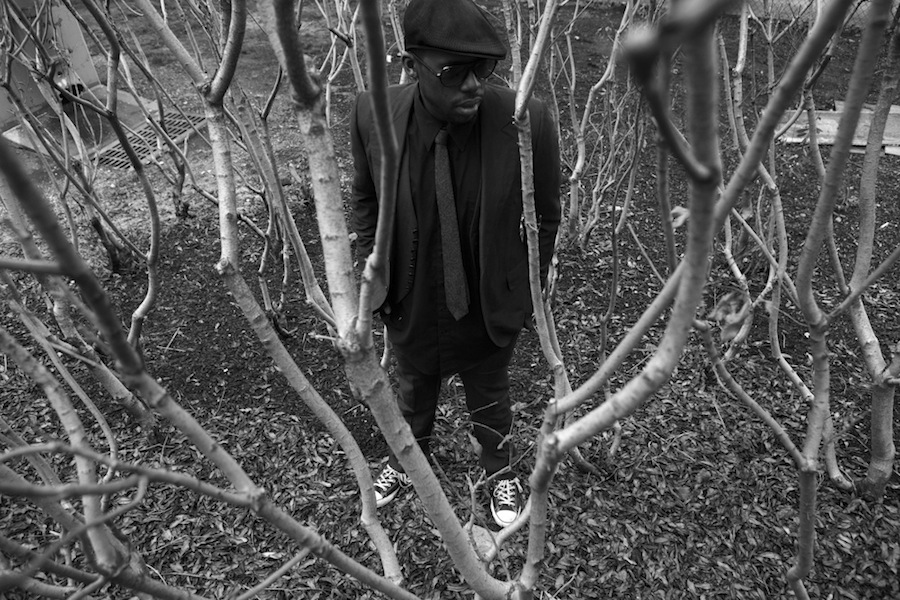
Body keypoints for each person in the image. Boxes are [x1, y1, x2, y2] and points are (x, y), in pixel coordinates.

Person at [349, 0, 561, 528]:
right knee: (413, 386)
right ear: (412, 64)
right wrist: (372, 273)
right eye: (454, 72)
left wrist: (525, 288)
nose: (472, 86)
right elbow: (365, 199)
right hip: (411, 293)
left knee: (490, 389)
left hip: (486, 296)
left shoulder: (525, 121)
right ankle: (408, 458)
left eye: (482, 69)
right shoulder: (373, 114)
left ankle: (499, 469)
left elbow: (547, 215)